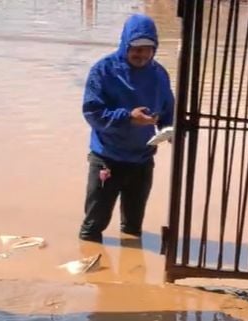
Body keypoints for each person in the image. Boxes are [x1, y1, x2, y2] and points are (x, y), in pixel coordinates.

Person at [79, 14, 174, 243]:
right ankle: (91, 274)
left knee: (133, 228)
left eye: (147, 49)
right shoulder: (103, 70)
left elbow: (167, 109)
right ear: (125, 45)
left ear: (155, 49)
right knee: (93, 227)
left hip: (142, 160)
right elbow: (92, 112)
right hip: (107, 158)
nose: (141, 55)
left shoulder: (159, 74)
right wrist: (128, 118)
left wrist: (169, 130)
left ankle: (131, 272)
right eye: (136, 49)